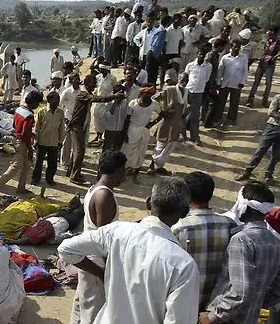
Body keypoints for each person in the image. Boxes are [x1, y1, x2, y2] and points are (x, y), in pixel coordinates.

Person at [59, 177, 199, 324]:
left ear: (148, 202)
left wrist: (102, 273)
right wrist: (102, 273)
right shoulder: (184, 265)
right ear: (184, 212)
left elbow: (66, 249)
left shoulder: (117, 231)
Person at [200, 182, 280, 324]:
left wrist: (212, 317)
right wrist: (255, 302)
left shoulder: (242, 240)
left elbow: (239, 293)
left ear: (244, 207)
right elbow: (276, 289)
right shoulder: (274, 241)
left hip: (225, 319)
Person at [68, 150, 125, 324]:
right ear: (119, 171)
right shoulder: (104, 195)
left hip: (89, 254)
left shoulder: (95, 188)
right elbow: (103, 238)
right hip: (96, 260)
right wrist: (108, 268)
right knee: (94, 309)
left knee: (84, 299)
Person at [170, 172, 237, 311]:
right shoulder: (230, 225)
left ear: (186, 195)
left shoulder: (179, 228)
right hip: (215, 307)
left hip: (184, 303)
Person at [68, 76, 124, 184]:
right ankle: (74, 176)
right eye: (93, 83)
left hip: (80, 125)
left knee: (77, 150)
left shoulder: (84, 92)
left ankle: (72, 172)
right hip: (77, 125)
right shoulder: (83, 93)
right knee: (80, 151)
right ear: (87, 83)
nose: (95, 85)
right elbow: (98, 99)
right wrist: (114, 96)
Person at [0, 91, 42, 200]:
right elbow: (25, 134)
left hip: (17, 139)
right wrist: (30, 148)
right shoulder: (29, 115)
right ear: (33, 102)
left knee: (27, 165)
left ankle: (21, 187)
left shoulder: (19, 109)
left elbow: (15, 125)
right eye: (37, 103)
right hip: (23, 143)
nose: (38, 105)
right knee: (14, 168)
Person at [235, 93, 280, 184]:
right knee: (261, 150)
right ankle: (248, 171)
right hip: (273, 127)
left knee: (276, 154)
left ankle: (268, 174)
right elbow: (271, 112)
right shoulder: (278, 97)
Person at [148, 74, 188, 175]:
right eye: (182, 80)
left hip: (176, 123)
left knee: (170, 146)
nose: (184, 83)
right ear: (178, 80)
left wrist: (186, 111)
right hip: (166, 122)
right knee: (160, 144)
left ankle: (160, 167)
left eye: (186, 81)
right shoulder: (170, 89)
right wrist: (162, 110)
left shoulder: (187, 92)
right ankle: (152, 166)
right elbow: (155, 98)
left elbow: (190, 104)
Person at [121, 85, 160, 183]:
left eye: (151, 93)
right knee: (127, 152)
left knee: (141, 153)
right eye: (147, 93)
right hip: (132, 129)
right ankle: (123, 173)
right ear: (142, 93)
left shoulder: (154, 104)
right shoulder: (133, 103)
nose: (149, 95)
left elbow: (162, 113)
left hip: (144, 131)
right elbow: (127, 119)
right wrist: (124, 134)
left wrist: (152, 123)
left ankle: (135, 175)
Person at [32, 91, 65, 186]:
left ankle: (50, 178)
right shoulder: (42, 111)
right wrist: (36, 140)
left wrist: (60, 141)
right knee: (38, 162)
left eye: (58, 100)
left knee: (53, 163)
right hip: (42, 140)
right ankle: (35, 179)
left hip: (54, 141)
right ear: (49, 100)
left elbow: (62, 128)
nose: (58, 102)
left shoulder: (60, 113)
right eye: (56, 100)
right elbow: (37, 127)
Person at [215, 39, 248, 126]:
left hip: (237, 84)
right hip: (225, 83)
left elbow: (245, 71)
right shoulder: (225, 58)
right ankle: (218, 119)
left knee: (234, 103)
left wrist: (242, 81)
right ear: (231, 47)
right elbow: (220, 71)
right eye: (235, 47)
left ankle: (231, 119)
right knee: (221, 102)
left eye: (238, 47)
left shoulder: (244, 57)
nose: (236, 49)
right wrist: (218, 82)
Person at [184, 46, 212, 146]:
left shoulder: (208, 66)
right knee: (184, 113)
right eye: (200, 54)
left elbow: (207, 79)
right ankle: (182, 135)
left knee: (195, 115)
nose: (201, 56)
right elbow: (185, 77)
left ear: (205, 56)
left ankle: (195, 137)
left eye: (203, 55)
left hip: (199, 93)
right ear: (197, 54)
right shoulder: (190, 65)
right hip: (188, 91)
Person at [247, 25, 279, 108]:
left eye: (269, 31)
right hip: (262, 62)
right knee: (256, 82)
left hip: (270, 64)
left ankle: (265, 101)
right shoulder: (266, 40)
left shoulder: (278, 41)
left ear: (273, 32)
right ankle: (250, 100)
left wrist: (276, 56)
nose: (267, 32)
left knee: (268, 83)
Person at [91, 63, 117, 144]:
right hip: (98, 101)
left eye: (102, 69)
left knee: (104, 120)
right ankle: (98, 135)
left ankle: (102, 136)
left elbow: (115, 89)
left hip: (107, 102)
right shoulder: (98, 77)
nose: (100, 70)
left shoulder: (112, 78)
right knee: (96, 120)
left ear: (106, 69)